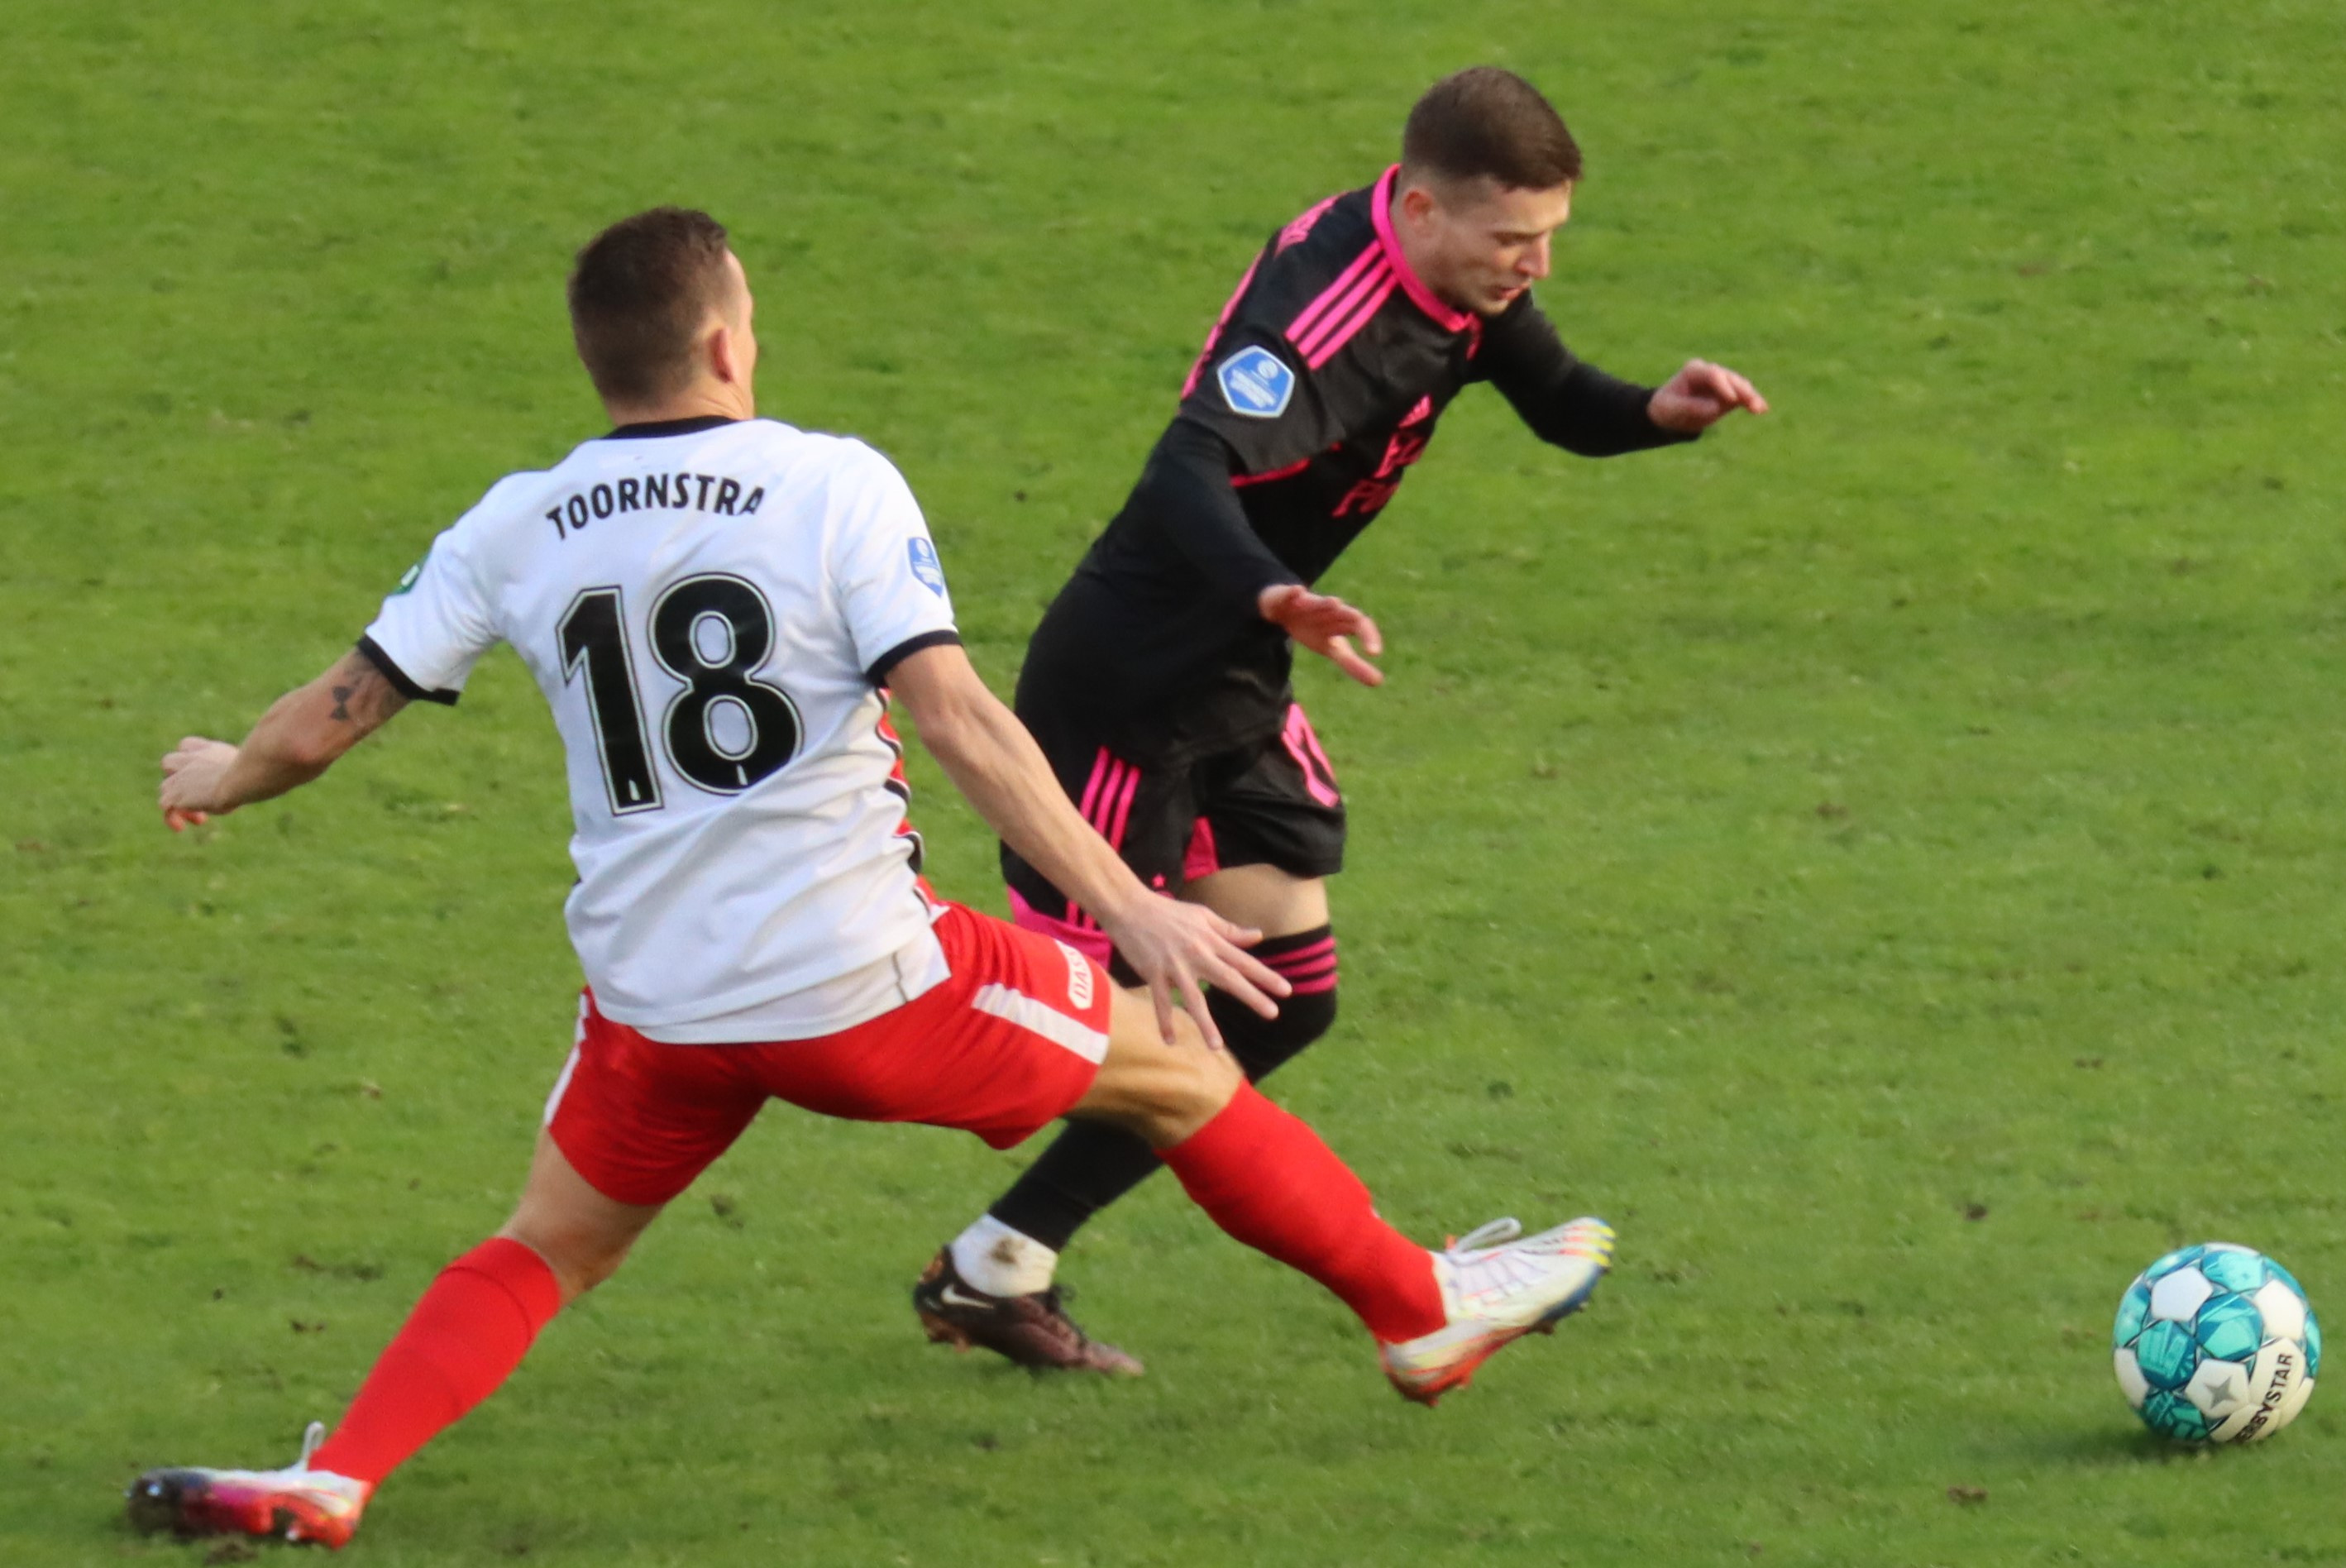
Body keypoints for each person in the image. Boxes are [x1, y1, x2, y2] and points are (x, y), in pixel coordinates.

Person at [123, 207, 1615, 1551]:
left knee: (545, 1248)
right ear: (724, 339)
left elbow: (338, 710)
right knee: (1175, 1063)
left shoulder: (513, 521)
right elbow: (961, 718)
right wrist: (1131, 903)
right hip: (862, 983)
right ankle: (1419, 1318)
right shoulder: (827, 483)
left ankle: (339, 1477)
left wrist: (223, 775)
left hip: (658, 999)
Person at [915, 66, 1761, 1374]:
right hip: (1122, 704)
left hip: (1234, 683)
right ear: (1420, 207)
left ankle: (996, 1262)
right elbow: (1186, 461)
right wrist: (1269, 587)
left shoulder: (1462, 281)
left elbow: (1549, 392)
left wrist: (1656, 413)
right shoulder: (1322, 318)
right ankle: (1408, 1296)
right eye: (1508, 240)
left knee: (1277, 1001)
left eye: (1548, 239)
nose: (1531, 264)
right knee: (1128, 1034)